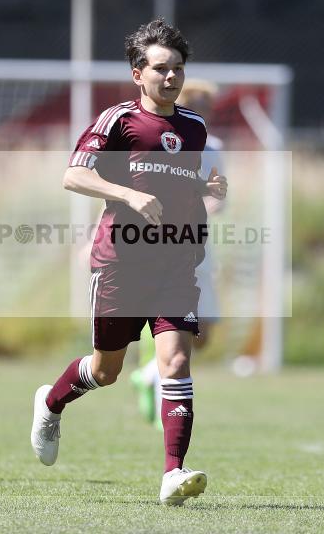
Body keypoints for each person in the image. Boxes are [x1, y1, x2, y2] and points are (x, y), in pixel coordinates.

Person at [30, 19, 227, 505]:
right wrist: (126, 194)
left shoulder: (194, 128)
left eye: (178, 69)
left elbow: (176, 186)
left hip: (175, 266)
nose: (172, 77)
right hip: (120, 263)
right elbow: (73, 175)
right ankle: (51, 403)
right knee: (105, 370)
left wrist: (204, 191)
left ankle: (172, 475)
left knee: (176, 361)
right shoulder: (116, 120)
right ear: (138, 73)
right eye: (161, 69)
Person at [131, 79, 225, 429]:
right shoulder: (158, 141)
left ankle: (148, 373)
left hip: (198, 246)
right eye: (197, 103)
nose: (204, 110)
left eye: (208, 105)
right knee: (173, 325)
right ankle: (162, 393)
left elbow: (217, 191)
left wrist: (213, 202)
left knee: (204, 333)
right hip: (161, 247)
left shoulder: (212, 146)